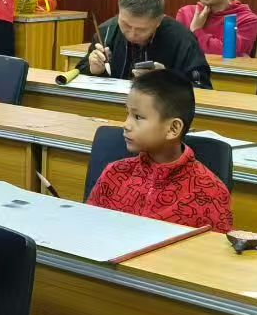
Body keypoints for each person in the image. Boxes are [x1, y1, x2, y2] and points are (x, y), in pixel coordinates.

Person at [87, 69, 234, 233]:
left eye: (138, 117)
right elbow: (88, 229)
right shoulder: (114, 174)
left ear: (173, 128)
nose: (126, 125)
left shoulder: (210, 192)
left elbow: (215, 248)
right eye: (127, 113)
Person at [78, 0, 212, 89]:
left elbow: (202, 86)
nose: (132, 34)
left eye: (141, 29)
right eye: (125, 25)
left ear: (159, 21)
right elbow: (79, 74)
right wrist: (93, 70)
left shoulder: (182, 39)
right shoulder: (106, 31)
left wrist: (167, 80)